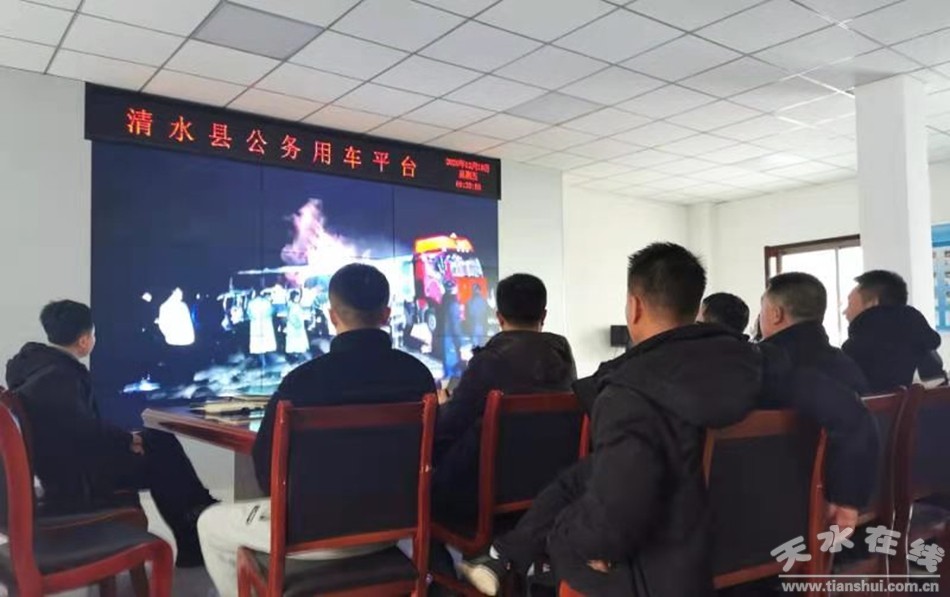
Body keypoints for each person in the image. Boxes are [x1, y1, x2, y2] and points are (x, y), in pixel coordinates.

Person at [459, 243, 762, 596]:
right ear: (695, 308)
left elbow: (615, 520)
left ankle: (509, 559)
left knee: (567, 541)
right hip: (743, 549)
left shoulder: (630, 393)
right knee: (582, 476)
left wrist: (572, 536)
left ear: (634, 307)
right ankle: (504, 555)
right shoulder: (754, 366)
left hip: (660, 572)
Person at [198, 264, 436, 597]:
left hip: (308, 534)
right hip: (395, 528)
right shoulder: (418, 376)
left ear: (332, 315)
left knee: (209, 523)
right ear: (386, 314)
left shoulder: (301, 382)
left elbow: (267, 475)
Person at [5, 300, 216, 566]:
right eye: (93, 334)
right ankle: (197, 526)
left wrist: (127, 439)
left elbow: (77, 427)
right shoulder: (58, 376)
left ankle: (197, 523)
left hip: (64, 470)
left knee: (158, 440)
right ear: (84, 341)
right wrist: (127, 440)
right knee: (162, 453)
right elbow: (84, 431)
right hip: (79, 481)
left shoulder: (36, 368)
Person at [433, 273, 577, 521]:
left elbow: (449, 425)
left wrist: (443, 406)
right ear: (543, 315)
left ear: (499, 317)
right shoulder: (562, 357)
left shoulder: (488, 361)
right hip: (551, 491)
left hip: (487, 497)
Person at [758, 272, 879, 532]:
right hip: (859, 506)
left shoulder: (768, 367)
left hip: (789, 517)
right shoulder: (846, 363)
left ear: (776, 314)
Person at [842, 270, 946, 392]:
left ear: (872, 303)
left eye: (850, 303)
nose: (845, 312)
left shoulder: (855, 351)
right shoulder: (923, 344)